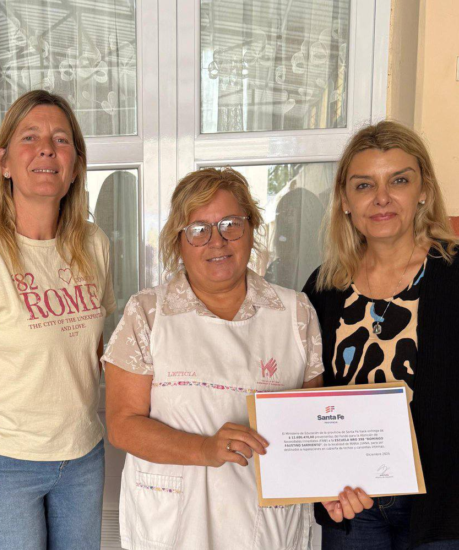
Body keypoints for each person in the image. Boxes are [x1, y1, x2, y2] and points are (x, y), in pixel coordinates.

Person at [0, 90, 115, 550]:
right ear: (4, 162)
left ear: (75, 165)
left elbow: (91, 352)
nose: (47, 149)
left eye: (61, 140)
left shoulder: (94, 245)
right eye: (29, 137)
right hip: (4, 464)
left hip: (82, 456)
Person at [103, 167, 325, 550]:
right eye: (199, 229)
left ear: (251, 229)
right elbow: (122, 425)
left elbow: (312, 425)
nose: (217, 241)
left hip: (265, 522)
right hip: (176, 522)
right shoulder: (147, 313)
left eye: (230, 225)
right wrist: (204, 449)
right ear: (179, 241)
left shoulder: (296, 313)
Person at [303, 120, 459, 549]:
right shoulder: (323, 288)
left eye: (399, 180)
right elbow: (310, 396)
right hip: (352, 502)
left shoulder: (453, 274)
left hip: (444, 504)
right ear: (345, 200)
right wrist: (320, 477)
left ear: (423, 190)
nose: (382, 198)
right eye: (364, 185)